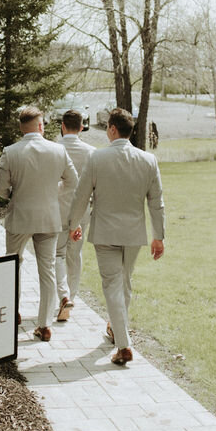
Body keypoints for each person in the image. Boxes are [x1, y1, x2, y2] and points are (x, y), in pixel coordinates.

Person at [68, 107, 165, 366]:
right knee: (124, 282)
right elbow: (156, 203)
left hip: (106, 232)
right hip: (134, 234)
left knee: (113, 285)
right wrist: (159, 236)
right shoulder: (148, 160)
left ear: (112, 129)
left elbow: (80, 195)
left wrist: (73, 224)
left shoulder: (97, 159)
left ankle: (123, 346)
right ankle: (116, 327)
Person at [0, 106, 77, 342]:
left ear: (21, 128)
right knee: (47, 271)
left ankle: (13, 313)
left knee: (12, 266)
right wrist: (53, 193)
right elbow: (73, 182)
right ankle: (44, 324)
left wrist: (14, 194)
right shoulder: (58, 150)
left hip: (20, 216)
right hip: (49, 217)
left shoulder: (11, 152)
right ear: (40, 126)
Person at [55, 109, 95, 322]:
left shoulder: (52, 148)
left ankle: (64, 296)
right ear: (81, 127)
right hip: (82, 212)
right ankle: (72, 295)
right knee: (75, 253)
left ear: (62, 126)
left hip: (57, 209)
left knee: (58, 254)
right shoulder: (92, 152)